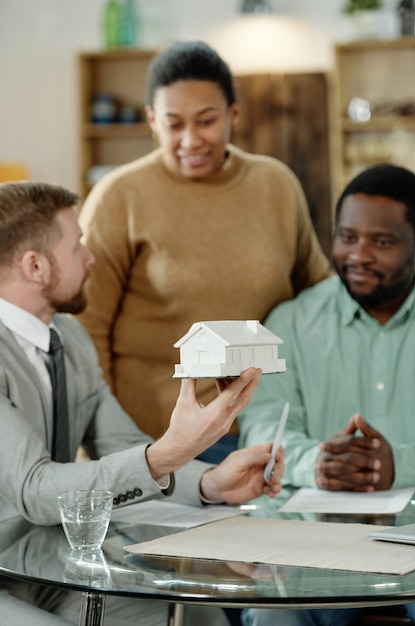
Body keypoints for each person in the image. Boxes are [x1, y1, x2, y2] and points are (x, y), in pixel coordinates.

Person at [0, 180, 285, 626]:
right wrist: (168, 452)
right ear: (35, 266)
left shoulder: (70, 337)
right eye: (77, 247)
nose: (91, 258)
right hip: (4, 577)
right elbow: (35, 490)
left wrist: (209, 481)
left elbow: (120, 443)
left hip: (55, 568)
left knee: (198, 616)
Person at [77, 40, 330, 463]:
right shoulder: (119, 197)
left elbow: (319, 299)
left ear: (234, 112)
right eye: (173, 124)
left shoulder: (276, 185)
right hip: (157, 444)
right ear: (152, 121)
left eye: (207, 120)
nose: (191, 140)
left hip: (266, 434)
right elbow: (85, 331)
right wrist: (109, 447)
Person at [238, 163, 415, 626]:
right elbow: (261, 428)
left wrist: (398, 462)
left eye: (383, 241)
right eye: (347, 236)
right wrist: (316, 462)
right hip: (313, 538)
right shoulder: (291, 323)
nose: (359, 255)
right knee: (271, 612)